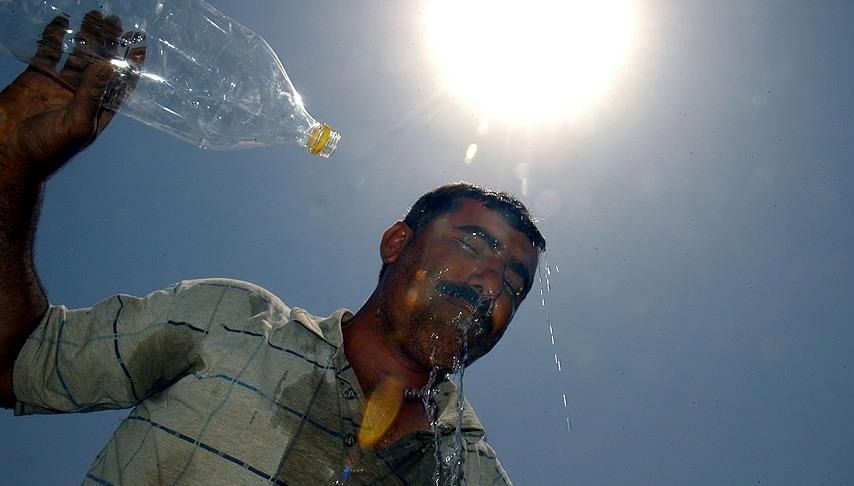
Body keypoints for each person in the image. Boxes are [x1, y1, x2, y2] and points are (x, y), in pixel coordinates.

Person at [0, 13, 545, 485]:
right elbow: (17, 361)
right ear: (397, 242)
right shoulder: (226, 323)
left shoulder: (471, 472)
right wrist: (11, 159)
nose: (492, 284)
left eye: (515, 285)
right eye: (475, 243)